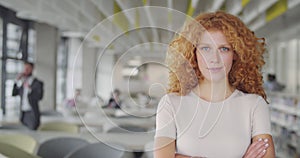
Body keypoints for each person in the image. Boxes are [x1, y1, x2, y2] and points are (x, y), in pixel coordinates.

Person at [154, 11, 275, 158]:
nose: (214, 59)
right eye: (205, 48)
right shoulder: (171, 103)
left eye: (224, 49)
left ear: (236, 54)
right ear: (193, 53)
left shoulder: (254, 105)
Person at [12, 61, 43, 130]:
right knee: (23, 131)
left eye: (28, 68)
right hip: (23, 113)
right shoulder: (22, 83)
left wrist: (30, 89)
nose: (25, 70)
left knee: (32, 132)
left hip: (32, 114)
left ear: (32, 69)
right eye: (25, 68)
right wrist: (16, 81)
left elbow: (40, 97)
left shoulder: (38, 83)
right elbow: (14, 93)